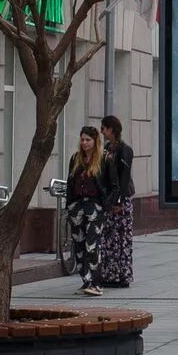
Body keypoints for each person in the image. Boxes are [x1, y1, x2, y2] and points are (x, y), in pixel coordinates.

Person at [66, 126, 117, 297]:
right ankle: (86, 281)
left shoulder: (105, 158)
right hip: (77, 207)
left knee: (92, 245)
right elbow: (70, 184)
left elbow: (114, 186)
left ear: (95, 141)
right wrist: (70, 205)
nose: (84, 143)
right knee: (79, 246)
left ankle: (96, 283)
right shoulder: (75, 159)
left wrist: (106, 205)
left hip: (95, 207)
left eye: (88, 140)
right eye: (82, 139)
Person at [99, 116, 136, 289]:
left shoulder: (124, 150)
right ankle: (109, 274)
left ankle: (123, 275)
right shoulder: (107, 149)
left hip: (122, 198)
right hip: (110, 198)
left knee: (122, 237)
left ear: (112, 129)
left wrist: (119, 200)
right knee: (109, 237)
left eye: (104, 128)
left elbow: (124, 176)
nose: (102, 132)